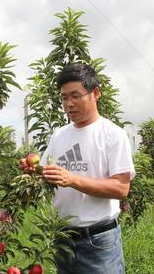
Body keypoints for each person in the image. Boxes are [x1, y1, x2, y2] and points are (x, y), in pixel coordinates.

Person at [41, 62, 135, 274]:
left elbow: (121, 188)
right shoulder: (59, 135)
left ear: (96, 93)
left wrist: (72, 180)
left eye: (76, 96)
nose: (69, 104)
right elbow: (43, 171)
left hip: (98, 241)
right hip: (62, 238)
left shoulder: (112, 134)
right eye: (64, 98)